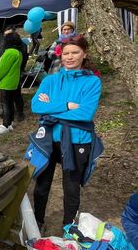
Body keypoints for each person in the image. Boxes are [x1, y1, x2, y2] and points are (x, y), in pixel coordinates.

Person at [26, 34, 103, 227]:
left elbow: (85, 113)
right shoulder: (50, 80)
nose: (69, 57)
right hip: (49, 138)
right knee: (42, 184)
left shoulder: (92, 82)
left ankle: (68, 227)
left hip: (77, 139)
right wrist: (67, 105)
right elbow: (36, 106)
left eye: (75, 52)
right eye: (66, 53)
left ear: (84, 54)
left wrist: (50, 108)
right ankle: (37, 222)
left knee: (71, 187)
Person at [0, 32, 23, 134]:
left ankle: (5, 125)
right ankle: (10, 123)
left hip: (6, 83)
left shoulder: (9, 53)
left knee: (5, 104)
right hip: (13, 82)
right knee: (10, 103)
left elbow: (2, 69)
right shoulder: (18, 52)